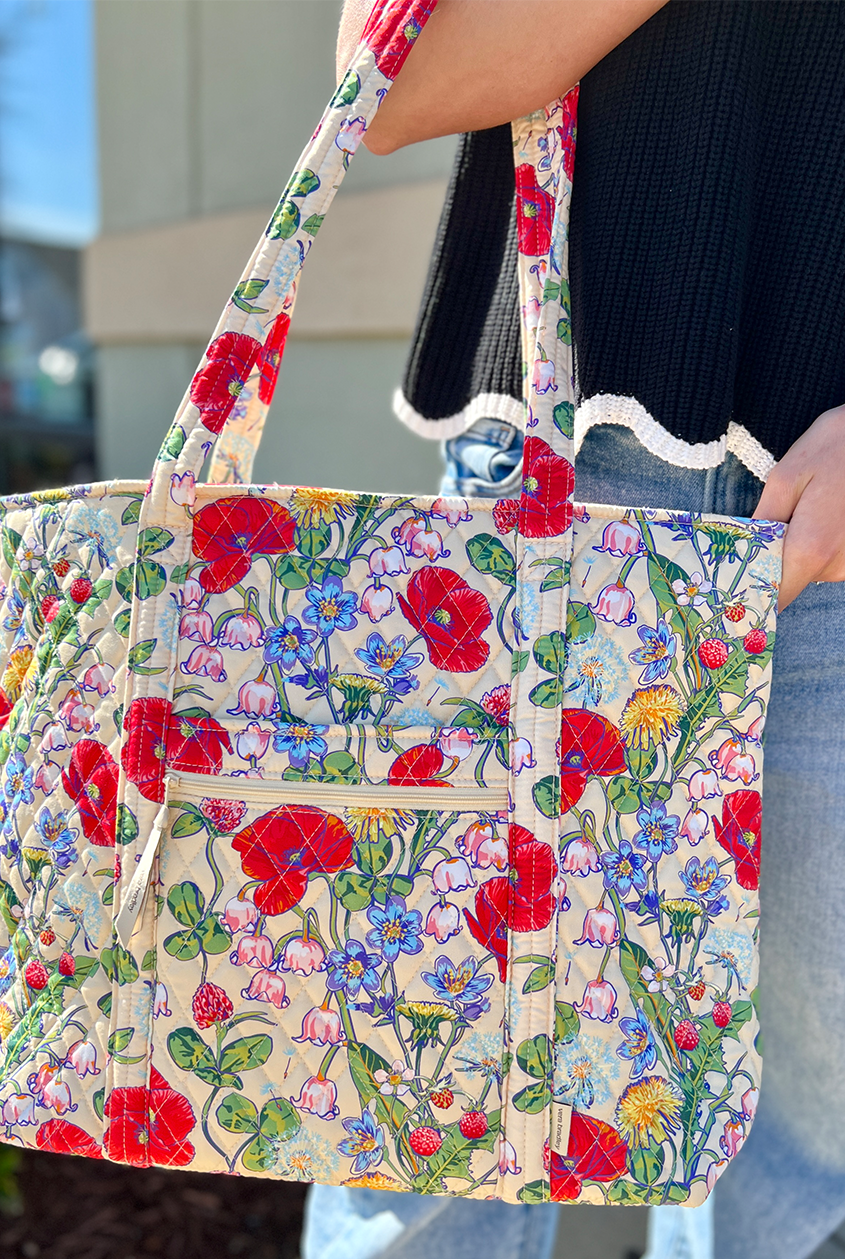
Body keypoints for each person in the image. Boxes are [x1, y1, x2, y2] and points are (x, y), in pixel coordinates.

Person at [302, 3, 845, 1258]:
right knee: (433, 1119)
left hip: (829, 514)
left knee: (812, 1159)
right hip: (552, 477)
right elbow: (389, 71)